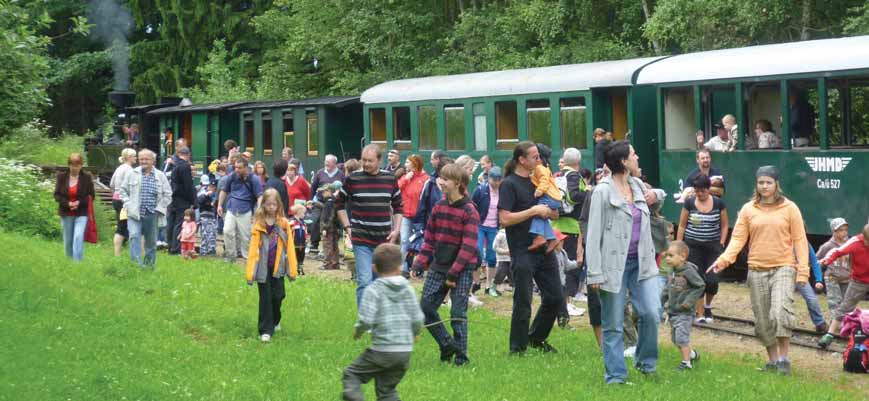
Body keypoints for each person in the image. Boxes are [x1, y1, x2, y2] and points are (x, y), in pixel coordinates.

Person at [708, 166, 808, 375]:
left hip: (783, 267)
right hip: (756, 269)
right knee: (763, 319)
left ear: (776, 184)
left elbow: (800, 240)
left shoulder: (790, 208)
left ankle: (784, 359)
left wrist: (803, 271)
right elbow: (738, 239)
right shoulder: (748, 209)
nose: (764, 186)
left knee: (780, 312)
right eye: (761, 182)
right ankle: (772, 361)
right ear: (756, 184)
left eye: (768, 182)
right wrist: (724, 259)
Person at [586, 140, 661, 384]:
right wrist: (595, 273)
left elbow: (657, 197)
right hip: (613, 266)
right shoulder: (603, 192)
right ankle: (616, 376)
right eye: (634, 154)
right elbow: (593, 234)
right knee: (614, 324)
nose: (637, 157)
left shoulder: (637, 185)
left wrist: (656, 194)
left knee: (651, 312)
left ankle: (646, 363)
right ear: (623, 162)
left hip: (643, 263)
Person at [499, 141, 563, 355]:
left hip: (543, 249)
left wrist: (551, 212)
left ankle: (536, 337)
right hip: (522, 250)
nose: (539, 160)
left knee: (555, 297)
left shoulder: (538, 181)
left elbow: (552, 211)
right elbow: (505, 219)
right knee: (523, 301)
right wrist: (534, 211)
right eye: (534, 157)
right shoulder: (509, 184)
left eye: (539, 157)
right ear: (522, 160)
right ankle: (517, 349)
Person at [414, 163, 480, 366]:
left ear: (458, 183)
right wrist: (421, 260)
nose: (440, 182)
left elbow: (468, 247)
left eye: (445, 179)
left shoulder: (469, 211)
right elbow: (430, 237)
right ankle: (446, 344)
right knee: (425, 308)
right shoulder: (439, 206)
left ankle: (461, 357)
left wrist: (453, 273)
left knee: (457, 314)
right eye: (440, 177)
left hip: (461, 269)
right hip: (438, 266)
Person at [342, 243, 423, 401]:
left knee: (352, 374)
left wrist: (358, 331)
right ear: (400, 268)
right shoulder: (408, 289)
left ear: (374, 268)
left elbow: (366, 319)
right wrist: (415, 332)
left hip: (382, 350)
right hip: (404, 353)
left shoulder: (374, 290)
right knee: (387, 390)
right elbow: (418, 318)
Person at [337, 144, 403, 306]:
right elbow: (338, 203)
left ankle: (379, 316)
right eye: (363, 160)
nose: (365, 164)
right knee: (365, 281)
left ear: (379, 161)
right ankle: (365, 319)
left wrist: (396, 230)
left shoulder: (390, 178)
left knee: (380, 281)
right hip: (361, 239)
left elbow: (398, 206)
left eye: (370, 161)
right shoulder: (353, 179)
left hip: (384, 240)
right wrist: (347, 227)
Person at [245, 188, 298, 342]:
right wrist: (250, 272)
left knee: (278, 295)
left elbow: (290, 247)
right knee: (265, 298)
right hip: (262, 267)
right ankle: (265, 330)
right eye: (268, 204)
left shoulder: (283, 223)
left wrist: (292, 270)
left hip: (278, 266)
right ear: (263, 205)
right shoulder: (258, 224)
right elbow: (253, 249)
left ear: (278, 205)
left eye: (274, 204)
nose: (271, 207)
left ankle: (275, 320)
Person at [676, 174, 729, 323]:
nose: (700, 194)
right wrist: (680, 245)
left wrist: (722, 242)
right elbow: (682, 225)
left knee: (712, 280)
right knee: (697, 279)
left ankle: (707, 306)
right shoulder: (690, 203)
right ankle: (699, 314)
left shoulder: (719, 204)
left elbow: (724, 225)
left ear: (708, 190)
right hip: (693, 246)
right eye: (697, 191)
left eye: (703, 191)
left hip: (713, 246)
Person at [818, 224, 869, 348]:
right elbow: (837, 251)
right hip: (859, 280)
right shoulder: (856, 242)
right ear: (864, 238)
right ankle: (829, 335)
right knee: (845, 307)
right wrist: (827, 260)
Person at [551, 147, 588, 313]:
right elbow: (573, 196)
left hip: (557, 225)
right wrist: (587, 192)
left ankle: (564, 302)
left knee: (560, 265)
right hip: (570, 227)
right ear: (578, 163)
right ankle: (567, 303)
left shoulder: (558, 175)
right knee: (570, 264)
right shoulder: (574, 175)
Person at [121, 149, 172, 268]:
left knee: (151, 242)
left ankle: (149, 266)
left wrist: (160, 208)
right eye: (141, 159)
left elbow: (168, 194)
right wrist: (128, 203)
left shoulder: (160, 175)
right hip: (134, 213)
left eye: (146, 159)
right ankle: (136, 266)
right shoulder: (132, 173)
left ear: (153, 161)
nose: (143, 161)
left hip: (152, 214)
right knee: (134, 236)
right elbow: (123, 190)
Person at [663, 241, 704, 370]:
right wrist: (661, 301)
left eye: (671, 255)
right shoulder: (671, 271)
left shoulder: (688, 271)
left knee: (681, 337)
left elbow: (700, 285)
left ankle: (686, 363)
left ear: (682, 256)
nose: (667, 258)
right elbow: (667, 288)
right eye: (666, 256)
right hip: (673, 311)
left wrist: (688, 302)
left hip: (685, 312)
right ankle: (692, 355)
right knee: (675, 339)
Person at [219, 158, 264, 263]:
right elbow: (224, 190)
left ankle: (249, 258)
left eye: (239, 168)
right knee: (227, 231)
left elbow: (259, 195)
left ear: (246, 167)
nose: (237, 170)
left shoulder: (254, 179)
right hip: (231, 208)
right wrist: (219, 205)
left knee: (246, 236)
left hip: (245, 209)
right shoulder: (232, 176)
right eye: (235, 167)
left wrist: (259, 208)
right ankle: (230, 256)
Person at [53, 153, 96, 261]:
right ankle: (69, 261)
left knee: (78, 236)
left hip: (82, 213)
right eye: (72, 165)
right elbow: (56, 195)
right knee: (68, 240)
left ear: (81, 165)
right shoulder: (61, 177)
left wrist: (78, 203)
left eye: (77, 165)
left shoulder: (86, 177)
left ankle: (78, 262)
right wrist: (68, 204)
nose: (75, 168)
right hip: (66, 213)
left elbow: (91, 196)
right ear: (69, 165)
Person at [472, 166, 503, 297]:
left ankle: (489, 285)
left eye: (498, 180)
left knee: (492, 256)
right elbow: (472, 206)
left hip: (493, 227)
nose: (496, 183)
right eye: (494, 180)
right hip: (480, 224)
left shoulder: (503, 191)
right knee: (477, 253)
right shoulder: (481, 189)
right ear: (488, 178)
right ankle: (476, 281)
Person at [397, 154, 429, 274]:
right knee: (404, 240)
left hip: (419, 217)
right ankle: (403, 268)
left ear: (415, 164)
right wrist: (406, 179)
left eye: (407, 162)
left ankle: (418, 268)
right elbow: (397, 188)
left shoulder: (425, 178)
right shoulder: (406, 177)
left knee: (419, 243)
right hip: (406, 214)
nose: (405, 164)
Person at [528, 144, 562, 253]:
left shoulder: (539, 168)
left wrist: (539, 191)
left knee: (536, 212)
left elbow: (544, 181)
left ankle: (539, 237)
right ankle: (552, 239)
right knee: (543, 217)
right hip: (554, 198)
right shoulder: (545, 167)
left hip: (549, 197)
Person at [817, 218, 852, 323]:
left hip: (847, 278)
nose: (844, 232)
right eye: (841, 230)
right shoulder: (828, 246)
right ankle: (835, 323)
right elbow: (817, 261)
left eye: (845, 230)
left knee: (846, 302)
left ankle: (846, 323)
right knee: (834, 302)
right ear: (834, 231)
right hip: (832, 278)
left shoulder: (849, 244)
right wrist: (819, 278)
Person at [311, 154, 345, 256]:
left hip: (334, 204)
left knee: (334, 225)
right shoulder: (320, 173)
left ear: (334, 163)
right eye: (325, 161)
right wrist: (310, 200)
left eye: (328, 162)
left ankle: (334, 246)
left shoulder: (341, 175)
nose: (326, 163)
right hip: (320, 201)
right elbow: (313, 187)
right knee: (315, 220)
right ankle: (314, 244)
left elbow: (343, 189)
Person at [167, 147, 195, 255]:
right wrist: (192, 199)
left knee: (171, 222)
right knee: (180, 223)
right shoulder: (185, 166)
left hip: (172, 197)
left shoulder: (174, 165)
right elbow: (188, 185)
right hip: (182, 198)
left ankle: (170, 246)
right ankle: (176, 248)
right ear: (188, 154)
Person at [110, 148, 137, 256]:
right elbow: (131, 187)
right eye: (134, 156)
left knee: (121, 225)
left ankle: (118, 253)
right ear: (129, 157)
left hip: (116, 200)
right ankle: (122, 254)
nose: (136, 158)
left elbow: (112, 184)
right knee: (126, 226)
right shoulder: (129, 170)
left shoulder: (119, 168)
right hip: (124, 202)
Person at [414, 150, 447, 231]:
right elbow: (422, 207)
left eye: (432, 159)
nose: (430, 162)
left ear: (438, 160)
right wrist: (420, 229)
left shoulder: (458, 185)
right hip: (432, 230)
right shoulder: (430, 183)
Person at [197, 181, 218, 256]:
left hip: (213, 216)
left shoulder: (216, 195)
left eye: (213, 187)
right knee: (205, 233)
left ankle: (211, 249)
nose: (211, 188)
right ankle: (203, 250)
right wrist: (206, 195)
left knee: (213, 233)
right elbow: (199, 201)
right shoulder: (204, 193)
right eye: (210, 187)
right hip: (204, 216)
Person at [289, 204, 308, 275]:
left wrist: (306, 239)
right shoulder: (291, 222)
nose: (304, 215)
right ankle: (294, 269)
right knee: (294, 256)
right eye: (303, 213)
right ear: (298, 212)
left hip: (302, 243)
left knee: (301, 257)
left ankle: (300, 269)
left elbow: (305, 232)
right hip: (294, 243)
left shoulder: (304, 223)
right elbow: (287, 231)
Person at [492, 226, 512, 293]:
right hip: (502, 259)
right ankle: (493, 289)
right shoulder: (500, 235)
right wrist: (506, 252)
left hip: (512, 259)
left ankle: (515, 290)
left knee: (513, 275)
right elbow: (495, 247)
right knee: (500, 274)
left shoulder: (514, 233)